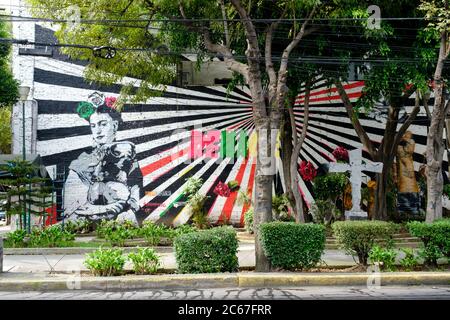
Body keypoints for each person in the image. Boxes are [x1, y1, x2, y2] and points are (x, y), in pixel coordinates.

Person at [63, 92, 143, 224]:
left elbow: (135, 199)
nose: (98, 131)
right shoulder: (81, 162)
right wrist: (107, 208)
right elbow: (71, 206)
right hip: (86, 222)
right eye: (93, 126)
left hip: (119, 223)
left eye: (103, 124)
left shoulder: (127, 156)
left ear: (115, 126)